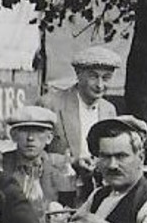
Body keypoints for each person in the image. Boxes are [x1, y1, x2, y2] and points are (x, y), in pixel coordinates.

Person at [0, 105, 78, 223]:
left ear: (49, 138)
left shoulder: (60, 168)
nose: (31, 138)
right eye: (24, 130)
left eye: (38, 131)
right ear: (13, 135)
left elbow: (71, 208)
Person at [42, 46, 120, 176]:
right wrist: (71, 161)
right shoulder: (50, 104)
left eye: (106, 78)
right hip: (59, 187)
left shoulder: (109, 110)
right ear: (78, 74)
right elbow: (32, 153)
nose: (100, 85)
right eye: (93, 77)